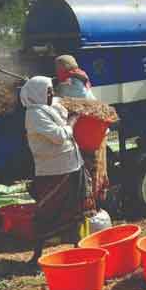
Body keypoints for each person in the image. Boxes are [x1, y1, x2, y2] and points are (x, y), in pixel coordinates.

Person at [20, 76, 86, 265]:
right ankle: (37, 256)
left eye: (51, 91)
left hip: (72, 165)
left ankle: (77, 248)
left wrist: (66, 105)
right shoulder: (34, 114)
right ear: (37, 94)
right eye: (47, 91)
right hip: (54, 171)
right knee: (47, 212)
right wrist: (72, 122)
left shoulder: (47, 108)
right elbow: (58, 136)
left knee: (75, 209)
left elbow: (59, 105)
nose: (51, 94)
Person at [54, 54, 109, 213]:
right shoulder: (79, 76)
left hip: (90, 132)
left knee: (91, 170)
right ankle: (95, 206)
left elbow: (67, 100)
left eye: (57, 68)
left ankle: (93, 209)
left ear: (63, 69)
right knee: (97, 168)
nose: (56, 72)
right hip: (95, 130)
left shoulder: (71, 82)